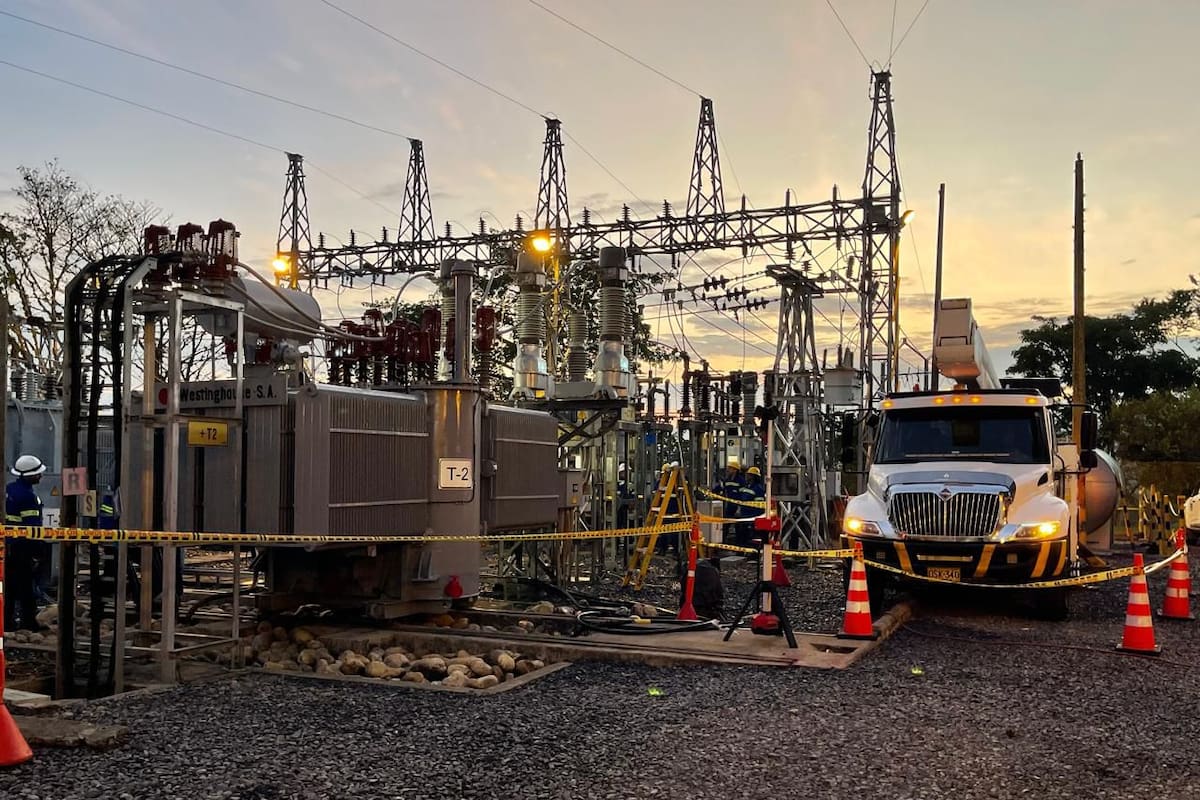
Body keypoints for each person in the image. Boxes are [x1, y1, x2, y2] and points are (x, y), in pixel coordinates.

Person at [5, 454, 47, 631]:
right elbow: (33, 528)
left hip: (7, 545)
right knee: (26, 587)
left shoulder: (9, 489)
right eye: (38, 473)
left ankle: (6, 622)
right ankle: (28, 622)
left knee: (8, 587)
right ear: (29, 475)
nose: (40, 476)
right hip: (23, 548)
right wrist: (38, 552)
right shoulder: (28, 497)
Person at [715, 459, 745, 547]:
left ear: (735, 470)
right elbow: (721, 488)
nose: (728, 470)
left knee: (739, 529)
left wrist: (739, 508)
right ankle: (722, 544)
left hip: (737, 508)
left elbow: (743, 495)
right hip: (728, 508)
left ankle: (739, 547)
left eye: (730, 468)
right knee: (725, 527)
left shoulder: (741, 481)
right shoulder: (727, 480)